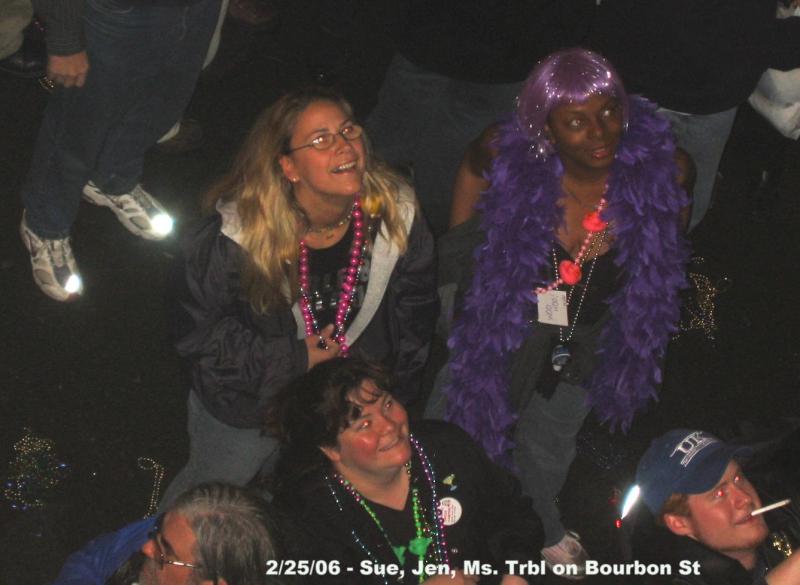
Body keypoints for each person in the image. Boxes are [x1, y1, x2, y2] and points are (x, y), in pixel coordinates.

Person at [441, 48, 692, 575]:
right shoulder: (504, 152)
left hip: (589, 332)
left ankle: (542, 523)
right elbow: (470, 170)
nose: (601, 132)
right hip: (508, 319)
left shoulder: (666, 169)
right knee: (469, 422)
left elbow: (670, 245)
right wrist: (462, 256)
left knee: (551, 439)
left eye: (609, 111)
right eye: (576, 122)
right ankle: (454, 518)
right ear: (545, 129)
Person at [158, 87, 437, 508]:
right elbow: (197, 340)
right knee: (210, 500)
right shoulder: (233, 241)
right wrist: (296, 358)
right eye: (321, 139)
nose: (345, 145)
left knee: (294, 497)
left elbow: (414, 312)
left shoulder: (397, 213)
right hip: (250, 408)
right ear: (289, 167)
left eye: (348, 130)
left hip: (336, 404)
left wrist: (393, 393)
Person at [267, 358, 544, 585]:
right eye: (364, 424)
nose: (389, 425)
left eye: (387, 404)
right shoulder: (306, 516)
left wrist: (517, 574)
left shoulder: (446, 447)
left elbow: (516, 517)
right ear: (331, 450)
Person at [19, 0, 222, 301]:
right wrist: (64, 37)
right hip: (116, 11)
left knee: (163, 101)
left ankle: (112, 176)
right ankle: (44, 222)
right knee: (80, 125)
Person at [632, 429, 800, 585]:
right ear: (679, 523)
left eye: (738, 478)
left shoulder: (785, 519)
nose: (745, 498)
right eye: (719, 494)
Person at [51, 482, 281, 585]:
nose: (146, 547)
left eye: (164, 553)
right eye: (158, 532)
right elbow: (91, 560)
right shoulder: (169, 533)